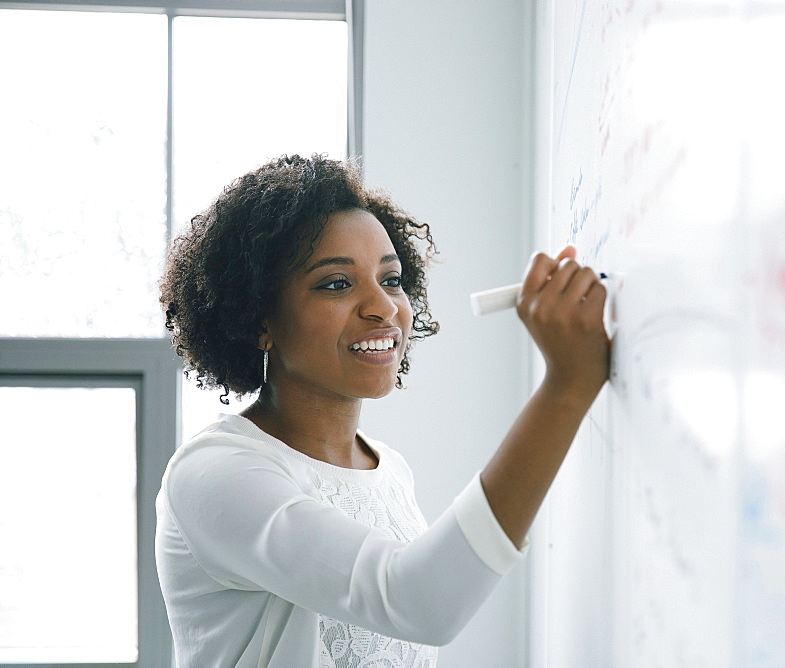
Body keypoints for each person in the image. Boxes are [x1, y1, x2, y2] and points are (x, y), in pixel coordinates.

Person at [154, 154, 609, 667]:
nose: (384, 307)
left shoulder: (389, 469)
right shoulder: (216, 472)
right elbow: (416, 601)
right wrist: (567, 386)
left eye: (391, 279)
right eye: (336, 284)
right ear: (260, 320)